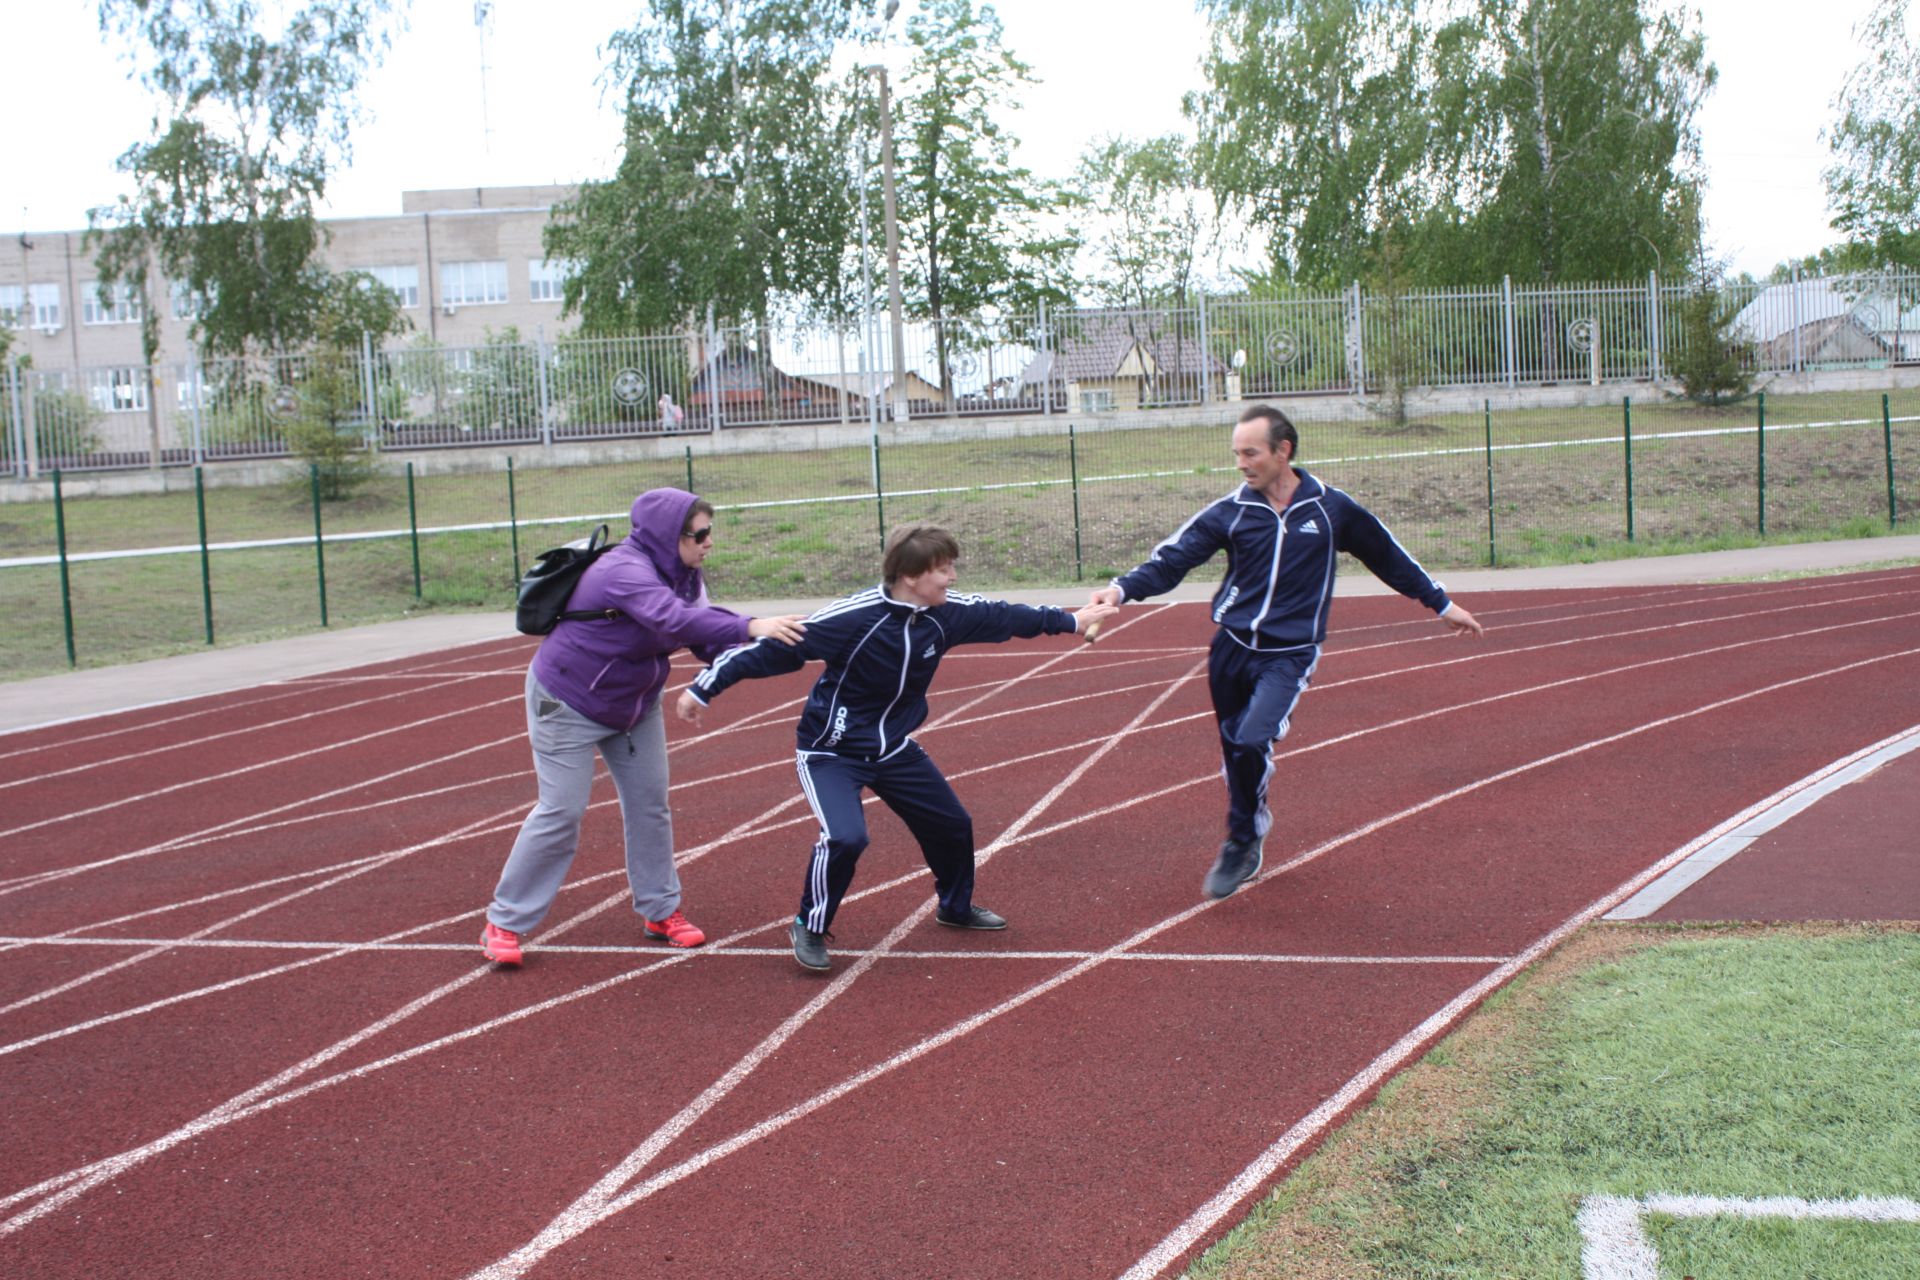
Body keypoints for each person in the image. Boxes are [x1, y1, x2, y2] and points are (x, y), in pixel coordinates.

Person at [674, 525, 1118, 971]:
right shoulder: (854, 618)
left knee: (952, 824)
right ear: (911, 575)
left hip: (892, 749)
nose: (953, 578)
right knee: (846, 837)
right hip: (831, 751)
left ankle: (955, 907)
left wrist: (1071, 621)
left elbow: (1003, 616)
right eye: (944, 569)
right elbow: (772, 649)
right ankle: (810, 925)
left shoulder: (947, 613)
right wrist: (704, 687)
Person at [1090, 404, 1486, 901]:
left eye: (1250, 452)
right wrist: (1120, 591)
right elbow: (1173, 560)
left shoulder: (1331, 509)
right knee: (1235, 746)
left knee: (1253, 737)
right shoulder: (1232, 512)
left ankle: (1242, 839)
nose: (1241, 463)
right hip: (1230, 649)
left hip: (1290, 654)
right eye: (1236, 453)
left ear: (1284, 451)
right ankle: (1249, 825)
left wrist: (1441, 603)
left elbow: (1387, 555)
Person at [480, 488, 806, 966]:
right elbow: (671, 617)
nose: (709, 543)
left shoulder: (688, 575)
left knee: (650, 805)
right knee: (561, 812)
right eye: (701, 534)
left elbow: (704, 636)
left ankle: (660, 911)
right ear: (667, 535)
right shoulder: (623, 571)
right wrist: (752, 625)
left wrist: (773, 652)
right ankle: (503, 922)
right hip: (565, 701)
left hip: (633, 706)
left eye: (710, 532)